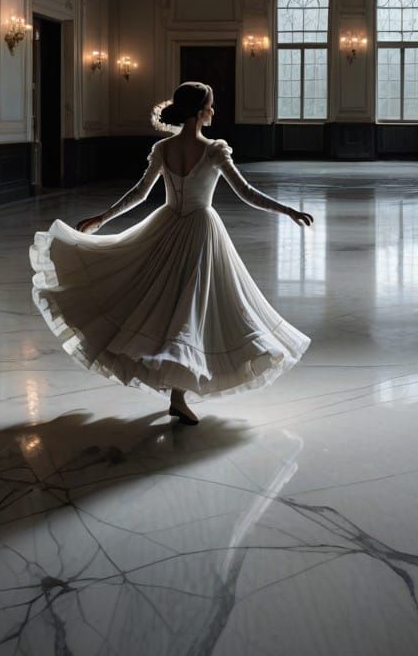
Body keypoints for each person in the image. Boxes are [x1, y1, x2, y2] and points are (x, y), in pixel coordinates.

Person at [30, 81, 313, 425]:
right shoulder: (214, 149)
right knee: (187, 308)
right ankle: (177, 396)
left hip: (166, 223)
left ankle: (176, 392)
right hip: (199, 230)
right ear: (200, 112)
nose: (213, 111)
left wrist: (103, 218)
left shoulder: (164, 147)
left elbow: (139, 193)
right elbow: (246, 192)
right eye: (210, 105)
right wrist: (287, 210)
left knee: (170, 305)